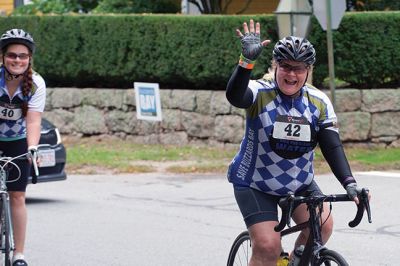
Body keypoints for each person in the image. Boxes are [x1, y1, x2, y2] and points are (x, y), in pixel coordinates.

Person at [226, 20, 368, 266]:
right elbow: (235, 96)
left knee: (322, 227)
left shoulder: (318, 101)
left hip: (298, 182)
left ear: (308, 71)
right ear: (275, 66)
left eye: (299, 68)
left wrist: (350, 183)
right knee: (268, 247)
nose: (292, 74)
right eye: (286, 66)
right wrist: (245, 62)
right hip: (255, 183)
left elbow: (331, 145)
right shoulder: (260, 93)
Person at [0, 28, 46, 266]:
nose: (17, 60)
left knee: (17, 196)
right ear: (3, 57)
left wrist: (32, 148)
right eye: (11, 55)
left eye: (22, 56)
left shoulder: (36, 83)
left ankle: (19, 253)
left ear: (29, 59)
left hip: (17, 141)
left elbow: (34, 120)